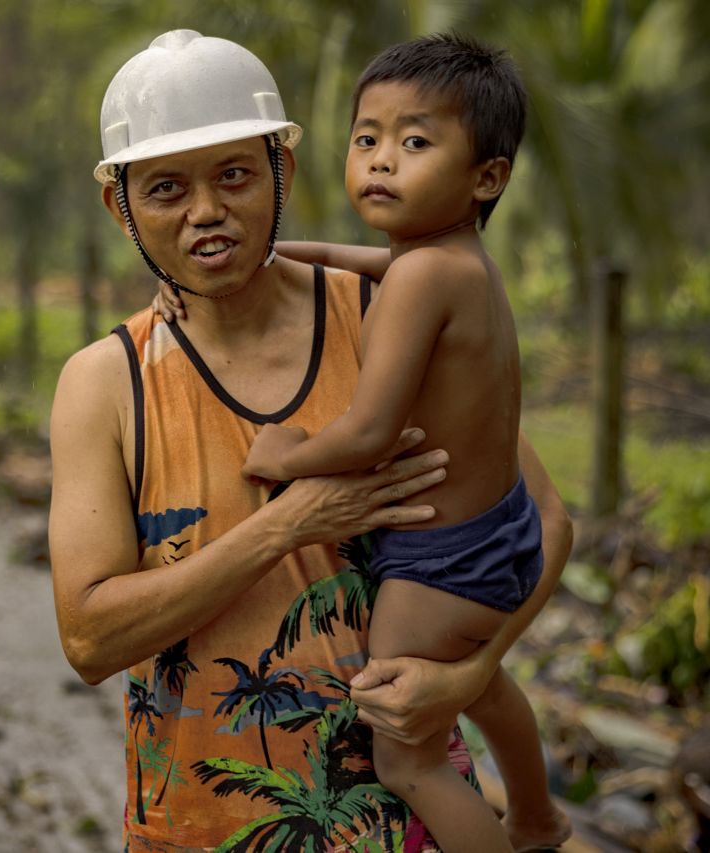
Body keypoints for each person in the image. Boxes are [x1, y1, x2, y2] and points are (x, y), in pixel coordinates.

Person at [49, 30, 572, 852]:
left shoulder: (382, 313)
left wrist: (473, 672)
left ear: (281, 172)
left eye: (234, 175)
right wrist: (289, 523)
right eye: (164, 189)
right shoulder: (108, 381)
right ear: (121, 207)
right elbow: (88, 638)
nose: (206, 211)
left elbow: (544, 517)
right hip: (202, 826)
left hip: (401, 826)